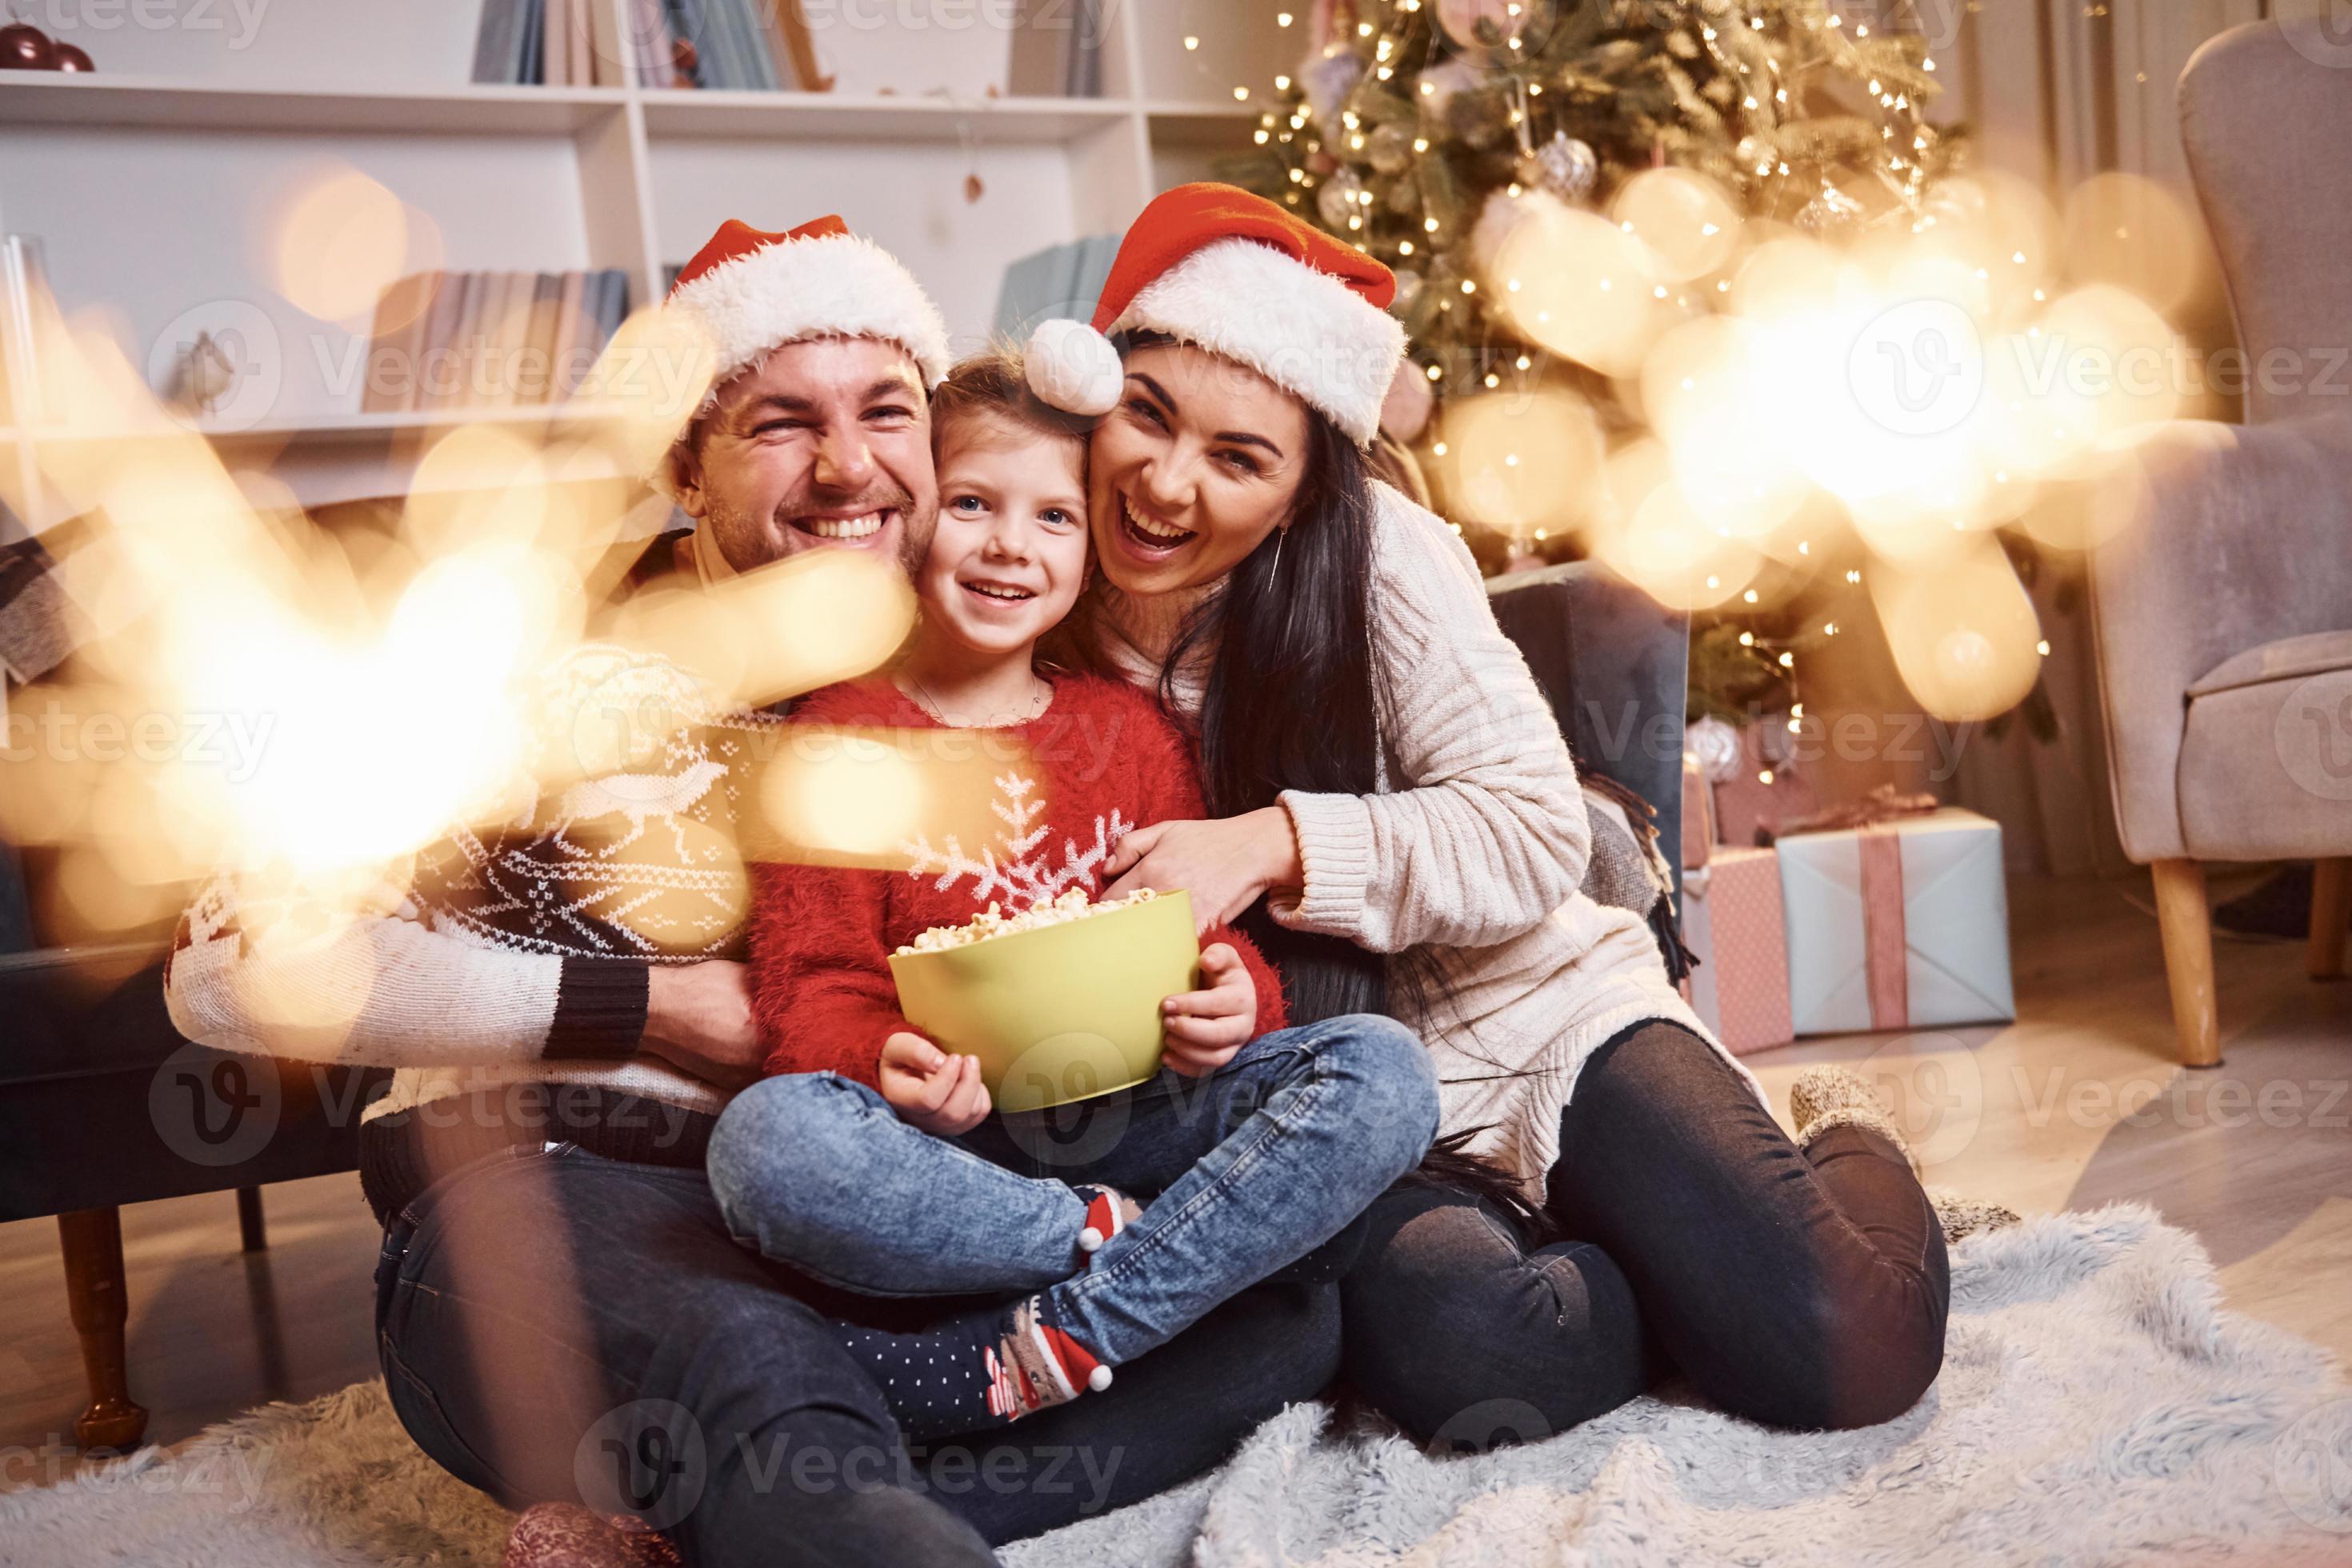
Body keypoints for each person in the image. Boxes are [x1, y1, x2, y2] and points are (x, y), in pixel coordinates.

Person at [163, 214, 1345, 1567]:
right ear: (685, 465)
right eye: (782, 422)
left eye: (886, 412)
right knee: (757, 1363)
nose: (848, 466)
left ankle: (747, 1520)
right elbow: (227, 962)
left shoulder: (959, 669)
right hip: (557, 1186)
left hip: (877, 1213)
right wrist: (646, 1007)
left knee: (1282, 1322)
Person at [1020, 183, 1961, 1446]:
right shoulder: (1029, 570)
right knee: (1475, 1366)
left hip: (1534, 1014)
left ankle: (1840, 1140)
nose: (1166, 484)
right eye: (1147, 415)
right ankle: (1662, 1258)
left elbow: (1532, 829)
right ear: (1098, 387)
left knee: (1854, 1350)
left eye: (1237, 458)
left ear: (1303, 491)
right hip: (1336, 1110)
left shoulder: (1384, 556)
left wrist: (1272, 844)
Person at [707, 350, 1437, 1439]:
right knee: (763, 1145)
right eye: (971, 504)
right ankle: (1176, 1246)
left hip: (1139, 1112)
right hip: (959, 1156)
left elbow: (1212, 945)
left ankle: (1058, 1337)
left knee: (1384, 1072)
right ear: (914, 524)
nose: (1011, 544)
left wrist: (1229, 1003)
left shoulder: (1128, 731)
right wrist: (884, 1064)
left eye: (1055, 517)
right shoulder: (835, 740)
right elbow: (812, 987)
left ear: (1090, 549)